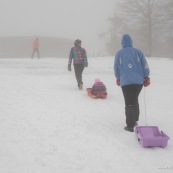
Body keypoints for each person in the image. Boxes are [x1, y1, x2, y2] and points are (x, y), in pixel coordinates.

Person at [114, 34, 150, 132]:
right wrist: (146, 76)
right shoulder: (138, 52)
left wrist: (118, 77)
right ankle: (135, 120)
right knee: (134, 99)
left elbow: (116, 67)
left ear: (122, 43)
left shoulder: (119, 53)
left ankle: (130, 125)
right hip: (138, 81)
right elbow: (144, 64)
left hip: (125, 81)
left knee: (128, 101)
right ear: (131, 42)